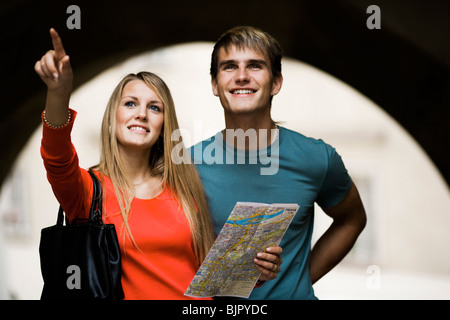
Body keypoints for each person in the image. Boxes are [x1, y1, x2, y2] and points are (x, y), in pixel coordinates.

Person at [35, 28, 282, 299]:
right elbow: (56, 156)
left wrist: (254, 269)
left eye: (154, 108)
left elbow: (211, 277)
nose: (141, 114)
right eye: (130, 104)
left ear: (164, 125)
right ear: (112, 118)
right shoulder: (89, 192)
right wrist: (58, 93)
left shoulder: (185, 186)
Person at [191, 26, 367, 299]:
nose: (241, 77)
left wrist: (300, 279)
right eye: (229, 67)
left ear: (276, 82)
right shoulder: (187, 165)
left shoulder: (317, 158)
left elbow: (351, 220)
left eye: (255, 66)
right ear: (215, 85)